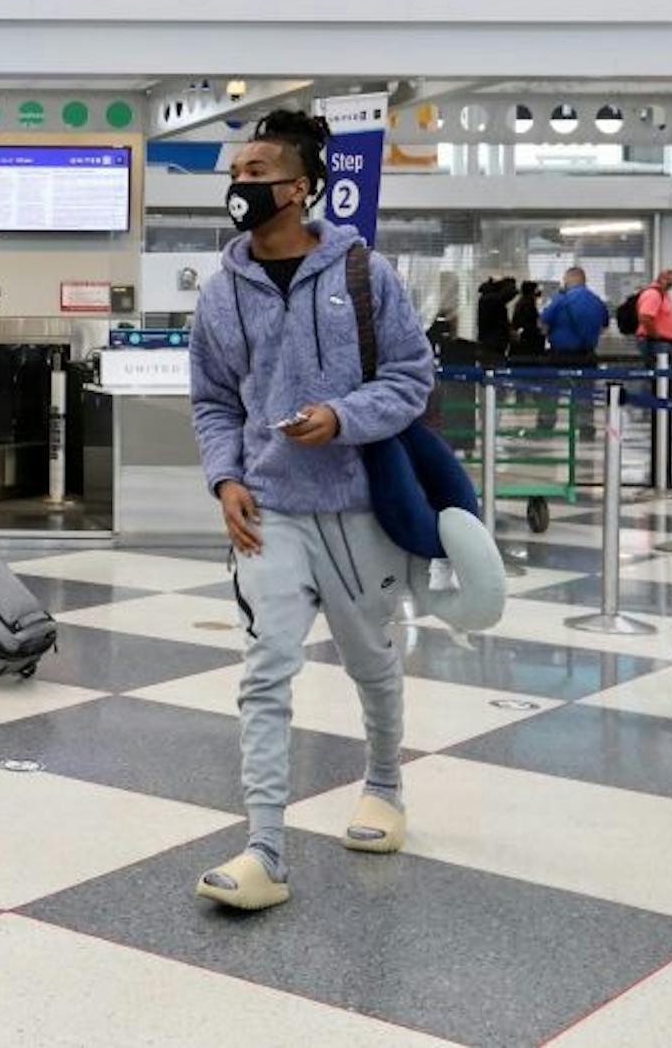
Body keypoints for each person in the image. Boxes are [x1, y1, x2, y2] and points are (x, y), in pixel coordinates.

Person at [186, 109, 432, 913]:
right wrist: (225, 480)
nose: (240, 186)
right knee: (266, 673)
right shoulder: (221, 294)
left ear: (301, 188)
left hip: (359, 507)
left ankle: (385, 787)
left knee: (372, 662)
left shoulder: (366, 275)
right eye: (236, 173)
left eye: (256, 173)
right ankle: (265, 848)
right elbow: (213, 402)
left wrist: (342, 417)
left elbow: (410, 377)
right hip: (269, 510)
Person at [541, 267, 610, 356]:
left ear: (567, 280)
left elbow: (543, 322)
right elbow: (604, 326)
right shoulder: (597, 301)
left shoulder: (560, 299)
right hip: (587, 355)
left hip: (562, 355)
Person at [636, 268, 672, 344]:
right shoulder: (653, 294)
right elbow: (645, 318)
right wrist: (656, 336)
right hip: (655, 342)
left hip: (663, 341)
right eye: (671, 280)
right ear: (662, 279)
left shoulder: (664, 294)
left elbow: (660, 312)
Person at [476, 275, 516, 359]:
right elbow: (507, 294)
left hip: (492, 342)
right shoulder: (490, 300)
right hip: (492, 344)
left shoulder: (487, 299)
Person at [509, 280, 545, 359]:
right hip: (527, 342)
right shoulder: (528, 304)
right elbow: (530, 323)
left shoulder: (521, 302)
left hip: (522, 341)